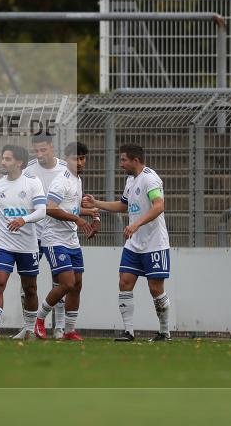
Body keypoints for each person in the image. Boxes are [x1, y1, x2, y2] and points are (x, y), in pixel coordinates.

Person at [87, 143, 171, 342]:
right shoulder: (130, 181)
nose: (121, 164)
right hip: (134, 244)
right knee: (124, 281)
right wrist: (96, 203)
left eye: (124, 160)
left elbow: (159, 206)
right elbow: (123, 205)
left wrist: (136, 225)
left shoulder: (150, 179)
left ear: (135, 160)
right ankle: (128, 331)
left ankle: (165, 332)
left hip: (154, 244)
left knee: (155, 289)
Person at [0, 145, 47, 341]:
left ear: (19, 163)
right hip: (2, 244)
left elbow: (42, 211)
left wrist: (23, 220)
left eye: (8, 159)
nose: (3, 162)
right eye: (3, 158)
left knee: (30, 289)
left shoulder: (33, 183)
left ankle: (29, 329)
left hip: (28, 246)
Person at [34, 142, 99, 340]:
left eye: (82, 158)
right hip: (54, 239)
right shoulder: (60, 181)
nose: (79, 162)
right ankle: (39, 320)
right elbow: (51, 208)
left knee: (77, 284)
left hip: (71, 240)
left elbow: (72, 208)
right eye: (74, 158)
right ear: (66, 159)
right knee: (67, 283)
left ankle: (69, 331)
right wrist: (78, 220)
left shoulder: (77, 181)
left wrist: (93, 216)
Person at [21, 134, 67, 339]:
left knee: (60, 281)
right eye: (36, 151)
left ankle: (59, 327)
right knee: (27, 284)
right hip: (33, 235)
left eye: (43, 150)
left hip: (57, 234)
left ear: (51, 147)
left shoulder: (66, 169)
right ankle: (28, 328)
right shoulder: (28, 170)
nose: (39, 155)